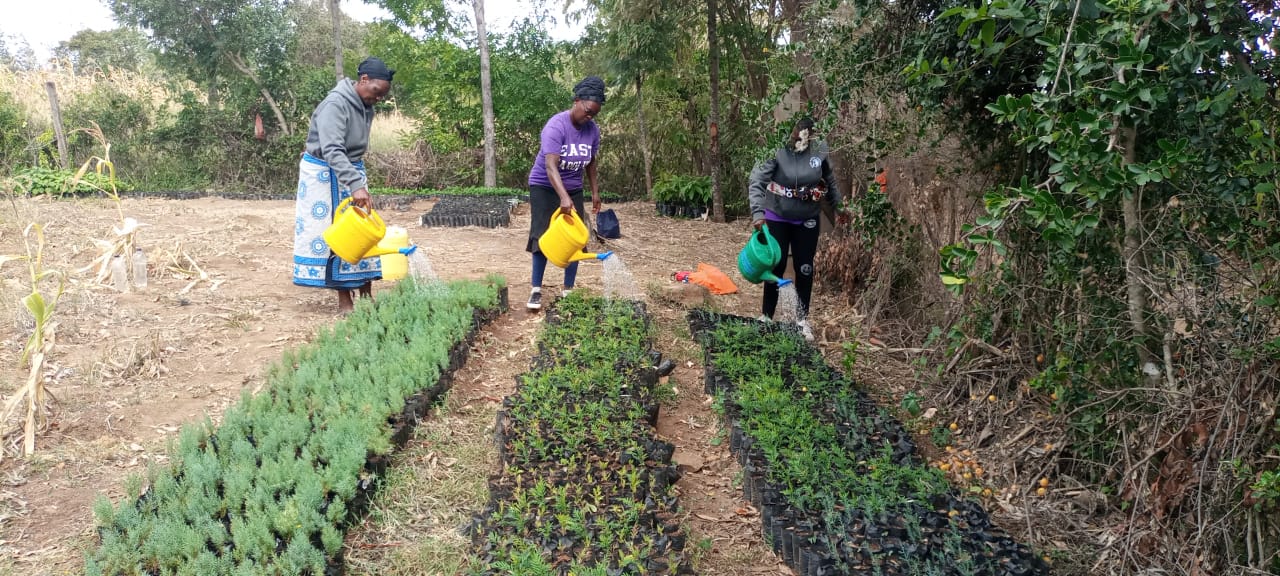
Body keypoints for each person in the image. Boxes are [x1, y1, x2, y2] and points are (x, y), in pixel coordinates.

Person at [292, 57, 394, 313]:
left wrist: (356, 181)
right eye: (376, 92)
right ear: (363, 80)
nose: (378, 99)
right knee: (338, 233)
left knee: (363, 230)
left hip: (351, 170)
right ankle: (344, 298)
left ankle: (366, 292)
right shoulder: (335, 104)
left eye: (382, 96)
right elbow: (332, 149)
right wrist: (355, 185)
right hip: (326, 173)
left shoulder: (365, 103)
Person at [747, 116, 842, 341]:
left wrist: (841, 207)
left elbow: (829, 179)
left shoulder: (819, 149)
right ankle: (767, 317)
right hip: (777, 215)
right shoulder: (776, 147)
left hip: (807, 217)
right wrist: (758, 213)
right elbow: (757, 180)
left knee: (805, 267)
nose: (799, 140)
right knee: (776, 265)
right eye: (796, 136)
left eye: (804, 137)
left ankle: (802, 320)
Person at [524, 76, 606, 310]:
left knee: (576, 238)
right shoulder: (556, 126)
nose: (590, 117)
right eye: (588, 111)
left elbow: (590, 162)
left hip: (572, 187)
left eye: (594, 114)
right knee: (541, 234)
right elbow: (551, 166)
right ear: (577, 101)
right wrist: (563, 197)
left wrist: (595, 192)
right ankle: (536, 290)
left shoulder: (592, 130)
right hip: (544, 185)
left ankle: (568, 291)